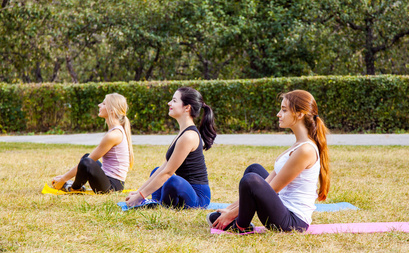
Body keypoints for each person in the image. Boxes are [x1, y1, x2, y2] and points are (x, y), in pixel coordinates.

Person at [207, 90, 330, 232]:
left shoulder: (305, 150)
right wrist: (228, 209)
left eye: (284, 110)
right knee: (254, 170)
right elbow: (268, 181)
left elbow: (273, 188)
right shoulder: (298, 145)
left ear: (300, 114)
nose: (278, 114)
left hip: (293, 222)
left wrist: (230, 215)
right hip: (282, 207)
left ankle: (241, 226)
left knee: (251, 180)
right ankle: (237, 218)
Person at [125, 87, 216, 209]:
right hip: (185, 188)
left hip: (198, 197)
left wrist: (139, 197)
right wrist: (138, 192)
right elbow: (165, 167)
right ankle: (156, 203)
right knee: (156, 171)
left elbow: (168, 173)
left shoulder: (189, 136)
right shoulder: (182, 133)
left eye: (174, 100)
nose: (169, 103)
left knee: (172, 180)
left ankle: (159, 204)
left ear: (187, 107)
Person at [52, 93, 134, 193]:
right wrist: (64, 177)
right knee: (86, 157)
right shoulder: (115, 131)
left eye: (103, 104)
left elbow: (90, 160)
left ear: (112, 110)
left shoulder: (113, 135)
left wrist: (63, 179)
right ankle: (74, 185)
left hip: (113, 187)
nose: (99, 105)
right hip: (108, 179)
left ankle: (74, 188)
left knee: (87, 161)